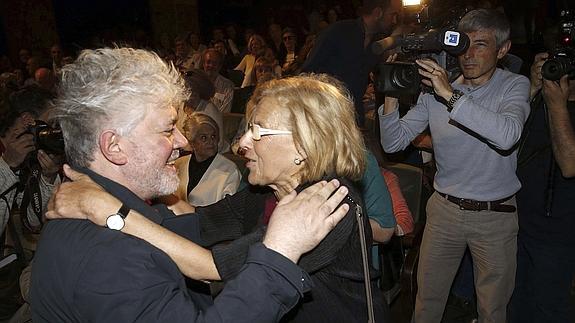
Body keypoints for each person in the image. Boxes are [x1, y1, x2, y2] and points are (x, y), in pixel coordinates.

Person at [30, 47, 350, 323]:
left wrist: (112, 211)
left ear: (304, 144)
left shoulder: (328, 202)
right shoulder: (115, 259)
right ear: (114, 147)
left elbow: (205, 256)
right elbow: (199, 231)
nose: (184, 141)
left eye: (259, 131)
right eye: (168, 129)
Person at [378, 9, 530, 322]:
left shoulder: (513, 86)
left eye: (481, 45)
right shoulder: (436, 91)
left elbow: (506, 136)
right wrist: (391, 94)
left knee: (492, 310)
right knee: (426, 303)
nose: (469, 55)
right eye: (464, 45)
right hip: (444, 211)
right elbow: (393, 143)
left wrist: (449, 93)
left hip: (495, 215)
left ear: (503, 50)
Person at [509, 52, 575, 323]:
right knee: (514, 306)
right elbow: (509, 140)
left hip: (557, 233)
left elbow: (569, 164)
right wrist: (533, 88)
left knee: (548, 307)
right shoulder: (538, 100)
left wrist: (558, 105)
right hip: (516, 221)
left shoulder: (556, 104)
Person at [301, 0, 389, 127]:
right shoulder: (338, 31)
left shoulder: (378, 44)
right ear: (378, 13)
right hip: (328, 118)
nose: (395, 20)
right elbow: (307, 72)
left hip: (354, 119)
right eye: (393, 14)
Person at [174, 113, 241, 206]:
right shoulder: (179, 164)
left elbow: (228, 209)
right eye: (204, 138)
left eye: (213, 136)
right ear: (192, 142)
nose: (211, 142)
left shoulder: (230, 170)